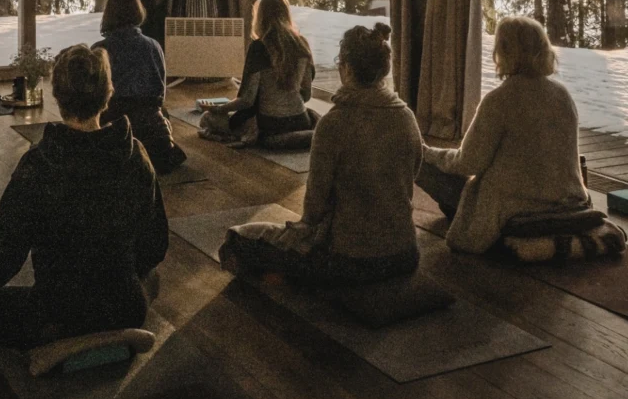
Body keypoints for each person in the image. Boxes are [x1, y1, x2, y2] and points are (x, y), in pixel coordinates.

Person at [0, 45, 168, 350]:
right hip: (124, 307)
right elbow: (155, 245)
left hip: (57, 313)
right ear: (108, 94)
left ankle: (65, 344)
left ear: (58, 96)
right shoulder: (135, 154)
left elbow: (3, 258)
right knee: (152, 279)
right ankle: (110, 335)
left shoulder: (39, 165)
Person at [219, 22, 423, 286]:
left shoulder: (334, 124)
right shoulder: (406, 116)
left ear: (347, 68)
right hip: (405, 254)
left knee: (239, 239)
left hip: (350, 259)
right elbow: (413, 173)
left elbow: (313, 211)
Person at [417, 15, 590, 254]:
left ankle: (466, 219)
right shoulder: (562, 95)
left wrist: (428, 153)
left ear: (504, 51)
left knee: (420, 161)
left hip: (514, 209)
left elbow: (469, 162)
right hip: (567, 204)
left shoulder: (500, 100)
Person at [93, 0, 187, 174]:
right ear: (138, 10)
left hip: (113, 131)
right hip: (152, 134)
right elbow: (160, 94)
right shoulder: (153, 46)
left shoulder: (99, 50)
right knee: (163, 114)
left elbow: (94, 97)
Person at [199, 0, 317, 142]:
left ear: (260, 17)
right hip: (300, 121)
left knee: (206, 119)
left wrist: (219, 109)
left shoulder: (259, 47)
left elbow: (247, 100)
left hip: (269, 124)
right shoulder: (302, 44)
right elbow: (306, 95)